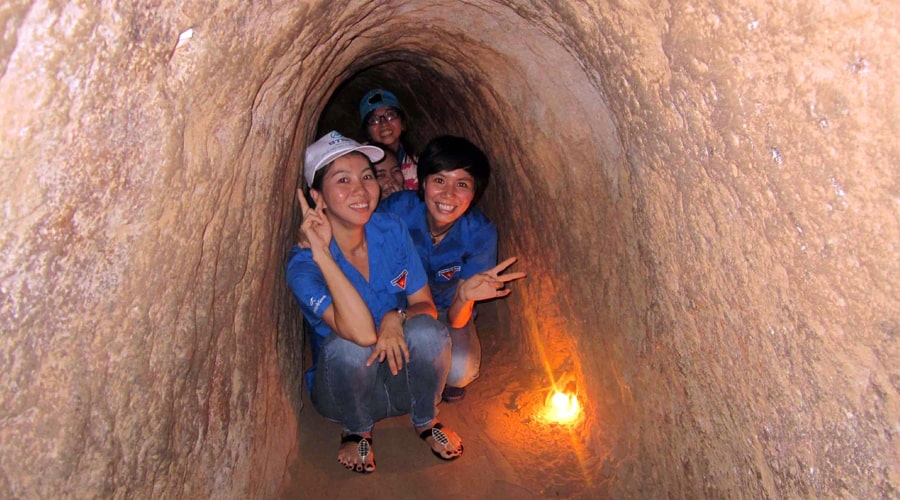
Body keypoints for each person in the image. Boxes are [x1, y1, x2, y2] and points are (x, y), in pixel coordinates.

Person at [286, 131, 464, 474]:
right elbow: (362, 335)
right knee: (349, 345)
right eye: (343, 180)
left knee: (428, 330)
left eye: (367, 176)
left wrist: (395, 317)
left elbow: (424, 304)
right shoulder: (304, 265)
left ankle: (425, 420)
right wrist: (323, 255)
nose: (361, 189)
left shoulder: (389, 228)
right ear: (316, 196)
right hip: (345, 390)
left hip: (399, 378)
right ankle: (357, 430)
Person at [378, 135, 526, 402]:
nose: (448, 194)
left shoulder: (479, 234)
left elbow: (458, 319)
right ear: (423, 183)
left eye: (461, 184)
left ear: (474, 193)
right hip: (396, 303)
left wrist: (464, 297)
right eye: (439, 180)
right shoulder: (396, 210)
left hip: (447, 310)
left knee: (459, 370)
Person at [359, 88, 419, 190]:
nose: (384, 123)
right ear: (367, 132)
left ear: (403, 124)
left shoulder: (416, 164)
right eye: (374, 120)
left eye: (390, 115)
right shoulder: (358, 159)